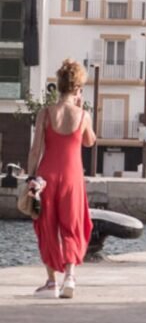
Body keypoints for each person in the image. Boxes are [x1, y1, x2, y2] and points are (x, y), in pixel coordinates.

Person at [25, 59, 96, 299]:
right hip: (72, 177)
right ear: (77, 88)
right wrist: (81, 107)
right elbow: (89, 141)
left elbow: (35, 150)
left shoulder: (45, 113)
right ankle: (70, 277)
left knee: (47, 226)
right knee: (71, 224)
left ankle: (50, 282)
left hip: (46, 176)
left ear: (59, 86)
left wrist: (31, 178)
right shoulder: (83, 115)